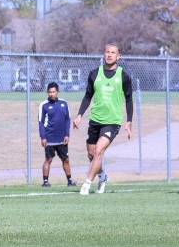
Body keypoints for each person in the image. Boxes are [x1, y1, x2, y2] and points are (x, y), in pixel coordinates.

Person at [73, 43, 133, 195]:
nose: (109, 55)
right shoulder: (94, 74)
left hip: (112, 122)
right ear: (103, 54)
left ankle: (87, 183)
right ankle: (102, 176)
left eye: (113, 52)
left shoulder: (123, 76)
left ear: (118, 56)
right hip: (95, 120)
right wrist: (79, 115)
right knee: (92, 155)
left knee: (99, 151)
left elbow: (129, 99)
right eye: (107, 52)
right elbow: (88, 96)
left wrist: (129, 121)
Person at [38, 82, 75, 187]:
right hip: (49, 138)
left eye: (54, 92)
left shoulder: (64, 103)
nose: (51, 94)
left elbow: (67, 120)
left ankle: (70, 181)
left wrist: (67, 135)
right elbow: (40, 123)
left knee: (66, 159)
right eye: (50, 92)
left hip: (62, 138)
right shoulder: (44, 105)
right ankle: (45, 182)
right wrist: (43, 137)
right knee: (48, 159)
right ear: (47, 92)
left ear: (58, 92)